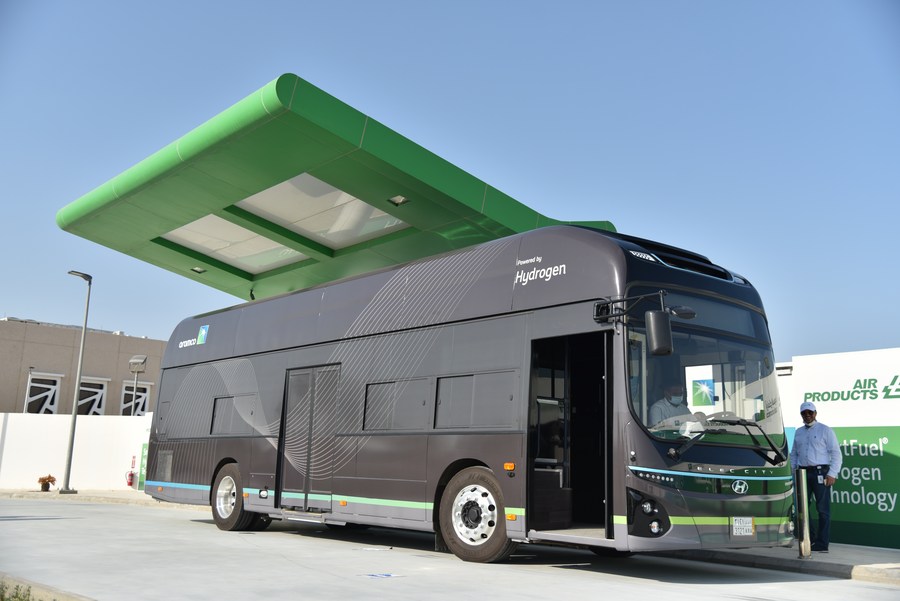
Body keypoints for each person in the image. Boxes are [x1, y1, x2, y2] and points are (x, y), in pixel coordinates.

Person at [789, 401, 842, 552]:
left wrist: (832, 473)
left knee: (823, 509)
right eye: (804, 413)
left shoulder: (825, 430)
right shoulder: (799, 432)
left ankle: (822, 543)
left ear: (815, 413)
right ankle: (809, 538)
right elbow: (794, 454)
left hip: (821, 473)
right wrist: (793, 471)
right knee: (802, 508)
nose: (807, 416)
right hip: (803, 473)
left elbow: (836, 454)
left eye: (810, 413)